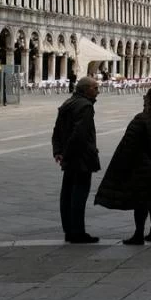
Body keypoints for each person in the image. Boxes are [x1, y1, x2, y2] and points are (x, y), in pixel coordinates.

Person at [95, 87, 151, 245]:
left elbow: (129, 144)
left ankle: (139, 234)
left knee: (141, 201)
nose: (143, 99)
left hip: (143, 167)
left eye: (145, 97)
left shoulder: (142, 119)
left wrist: (121, 166)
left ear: (150, 100)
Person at [51, 76, 101, 244]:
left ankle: (69, 231)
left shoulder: (68, 102)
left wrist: (58, 151)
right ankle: (78, 232)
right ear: (86, 89)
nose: (98, 91)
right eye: (95, 88)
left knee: (67, 194)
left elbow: (56, 130)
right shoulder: (85, 106)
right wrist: (68, 153)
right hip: (81, 158)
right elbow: (79, 134)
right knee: (79, 195)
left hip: (70, 157)